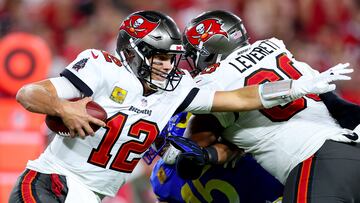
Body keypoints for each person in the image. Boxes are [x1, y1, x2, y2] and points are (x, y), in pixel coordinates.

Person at [9, 10, 351, 202]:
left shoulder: (178, 90)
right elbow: (28, 93)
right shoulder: (102, 67)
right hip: (54, 181)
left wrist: (295, 86)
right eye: (158, 56)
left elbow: (238, 98)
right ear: (132, 52)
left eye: (171, 58)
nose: (166, 66)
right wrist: (64, 108)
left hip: (92, 194)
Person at [174, 10, 360, 203]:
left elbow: (190, 158)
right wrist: (208, 155)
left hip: (315, 164)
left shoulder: (213, 82)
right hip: (350, 148)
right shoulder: (274, 48)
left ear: (209, 49)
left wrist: (183, 154)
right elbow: (337, 105)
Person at [146, 112, 284, 203]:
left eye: (158, 142)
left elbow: (227, 149)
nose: (158, 150)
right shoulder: (162, 172)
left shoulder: (229, 142)